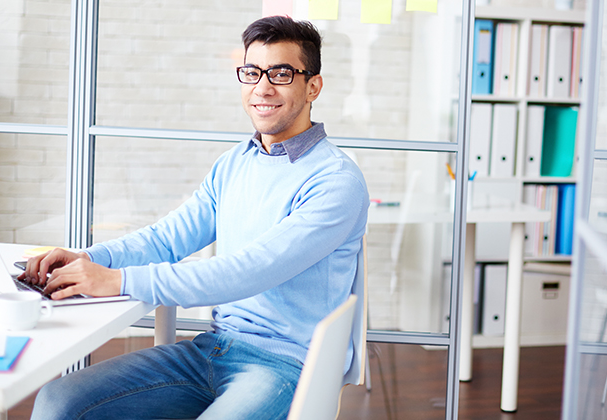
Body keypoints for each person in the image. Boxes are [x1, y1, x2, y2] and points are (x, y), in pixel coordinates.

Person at [26, 15, 369, 420]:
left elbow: (249, 271)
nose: (262, 87)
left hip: (285, 366)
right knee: (58, 402)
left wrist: (117, 281)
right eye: (252, 72)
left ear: (313, 85)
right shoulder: (235, 163)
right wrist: (89, 259)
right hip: (212, 349)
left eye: (280, 73)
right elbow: (167, 239)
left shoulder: (336, 181)